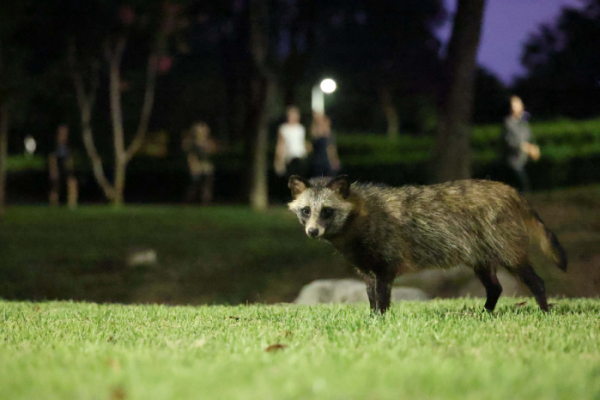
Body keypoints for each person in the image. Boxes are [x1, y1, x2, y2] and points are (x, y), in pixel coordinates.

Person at [502, 96, 540, 192]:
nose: (520, 106)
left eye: (520, 103)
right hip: (513, 163)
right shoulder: (508, 123)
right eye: (516, 104)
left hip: (524, 162)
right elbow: (509, 142)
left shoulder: (523, 123)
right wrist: (524, 147)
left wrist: (534, 148)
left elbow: (531, 139)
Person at [182, 122, 216, 204]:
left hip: (205, 166)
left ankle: (205, 201)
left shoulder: (208, 142)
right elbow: (190, 156)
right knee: (194, 184)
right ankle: (189, 201)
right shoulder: (190, 143)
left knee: (207, 183)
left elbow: (212, 151)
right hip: (195, 166)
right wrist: (193, 167)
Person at [49, 124, 78, 208]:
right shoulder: (55, 146)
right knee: (55, 186)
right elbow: (52, 158)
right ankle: (53, 205)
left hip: (66, 166)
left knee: (72, 182)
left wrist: (70, 166)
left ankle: (72, 204)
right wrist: (53, 170)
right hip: (57, 165)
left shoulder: (68, 146)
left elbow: (70, 159)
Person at [274, 106, 308, 177]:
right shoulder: (283, 128)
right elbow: (280, 144)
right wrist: (278, 159)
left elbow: (303, 142)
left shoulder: (301, 128)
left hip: (300, 157)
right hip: (289, 158)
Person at [309, 111, 340, 178]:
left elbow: (332, 148)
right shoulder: (315, 133)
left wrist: (334, 160)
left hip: (326, 162)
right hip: (317, 162)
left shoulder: (330, 134)